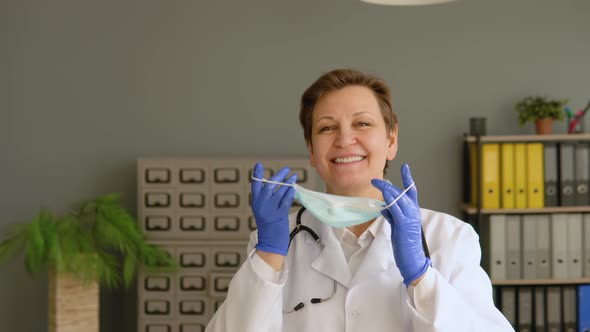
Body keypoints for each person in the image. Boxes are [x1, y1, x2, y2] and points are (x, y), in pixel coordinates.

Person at [205, 69, 513, 331]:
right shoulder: (275, 241)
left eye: (362, 123)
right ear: (312, 150)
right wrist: (268, 259)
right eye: (327, 128)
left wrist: (422, 277)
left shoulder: (447, 237)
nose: (344, 139)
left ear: (391, 140)